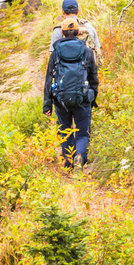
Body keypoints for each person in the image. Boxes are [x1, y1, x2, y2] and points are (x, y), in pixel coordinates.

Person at [43, 15, 99, 170]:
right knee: (82, 133)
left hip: (61, 100)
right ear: (77, 31)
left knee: (65, 131)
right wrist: (93, 97)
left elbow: (49, 78)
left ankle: (68, 162)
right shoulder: (87, 52)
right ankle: (80, 156)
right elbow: (93, 77)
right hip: (82, 98)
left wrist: (47, 104)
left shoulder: (56, 52)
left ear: (62, 32)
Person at [49, 0, 102, 65]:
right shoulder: (89, 28)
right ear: (78, 11)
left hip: (64, 73)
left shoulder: (58, 30)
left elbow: (53, 57)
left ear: (63, 11)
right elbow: (98, 52)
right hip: (86, 72)